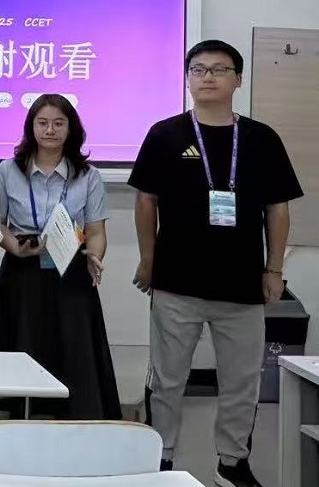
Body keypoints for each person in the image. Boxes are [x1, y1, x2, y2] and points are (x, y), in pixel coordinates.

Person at [130, 40, 302, 486]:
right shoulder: (165, 134)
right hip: (176, 282)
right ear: (188, 78)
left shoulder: (262, 138)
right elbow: (146, 202)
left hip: (242, 286)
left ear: (238, 79)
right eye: (198, 69)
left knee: (242, 382)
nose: (207, 77)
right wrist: (148, 260)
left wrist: (274, 270)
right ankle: (161, 457)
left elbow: (278, 208)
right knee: (167, 380)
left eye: (219, 69)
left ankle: (232, 462)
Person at [0, 94, 120, 420]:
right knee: (25, 343)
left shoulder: (88, 175)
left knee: (73, 347)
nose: (50, 130)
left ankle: (74, 416)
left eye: (59, 123)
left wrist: (95, 256)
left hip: (70, 266)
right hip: (23, 268)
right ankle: (22, 412)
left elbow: (95, 230)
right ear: (31, 127)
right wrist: (15, 247)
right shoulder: (7, 171)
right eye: (43, 123)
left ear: (71, 129)